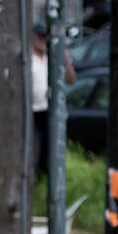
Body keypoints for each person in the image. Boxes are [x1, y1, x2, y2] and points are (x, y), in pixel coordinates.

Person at [29, 21, 76, 174]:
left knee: (50, 151)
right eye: (41, 37)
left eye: (46, 38)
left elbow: (70, 79)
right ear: (34, 37)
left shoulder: (52, 58)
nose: (44, 41)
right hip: (34, 110)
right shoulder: (28, 59)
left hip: (50, 109)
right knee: (35, 148)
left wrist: (66, 60)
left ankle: (45, 176)